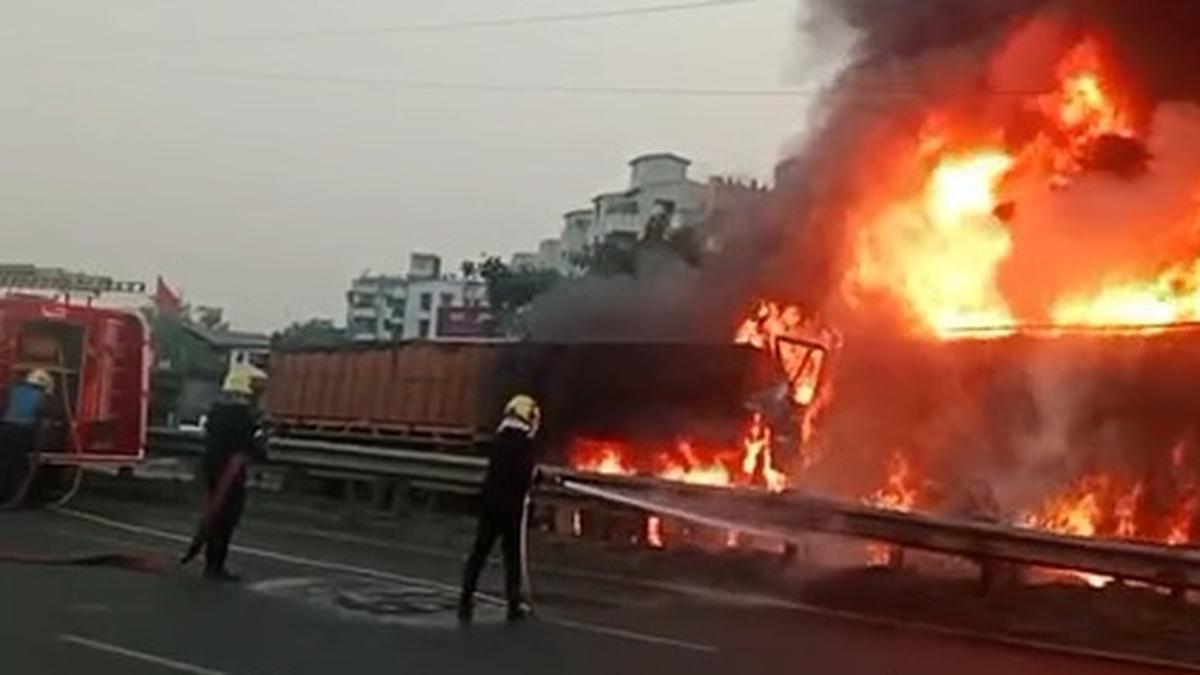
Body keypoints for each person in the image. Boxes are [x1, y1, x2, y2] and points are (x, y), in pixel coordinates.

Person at [458, 394, 542, 623]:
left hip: (489, 503)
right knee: (512, 558)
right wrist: (536, 477)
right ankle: (514, 605)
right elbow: (523, 476)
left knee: (480, 551)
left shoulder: (499, 439)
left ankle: (466, 596)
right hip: (511, 508)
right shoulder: (524, 444)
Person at [191, 363, 268, 581]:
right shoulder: (242, 418)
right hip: (230, 474)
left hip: (213, 468)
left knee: (214, 515)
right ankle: (215, 566)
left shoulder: (216, 414)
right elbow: (250, 448)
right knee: (226, 519)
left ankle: (211, 563)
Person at [0, 370, 54, 504]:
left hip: (6, 429)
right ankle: (15, 497)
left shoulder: (15, 391)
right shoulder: (41, 398)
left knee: (5, 463)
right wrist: (38, 449)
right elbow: (41, 425)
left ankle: (3, 495)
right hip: (22, 433)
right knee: (19, 466)